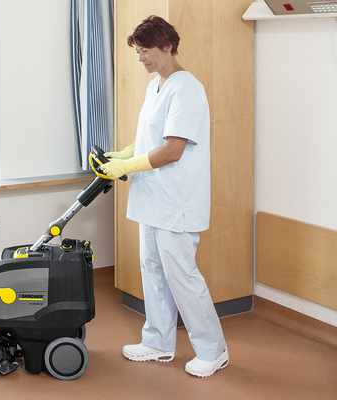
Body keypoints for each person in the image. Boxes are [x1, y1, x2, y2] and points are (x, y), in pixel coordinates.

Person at [98, 15, 229, 378]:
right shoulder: (155, 85)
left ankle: (212, 350)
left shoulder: (187, 88)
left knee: (182, 276)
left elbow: (172, 150)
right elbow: (150, 139)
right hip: (152, 199)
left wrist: (129, 166)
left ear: (167, 47)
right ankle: (157, 342)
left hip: (177, 203)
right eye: (138, 52)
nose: (141, 58)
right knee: (152, 269)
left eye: (145, 51)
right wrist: (122, 155)